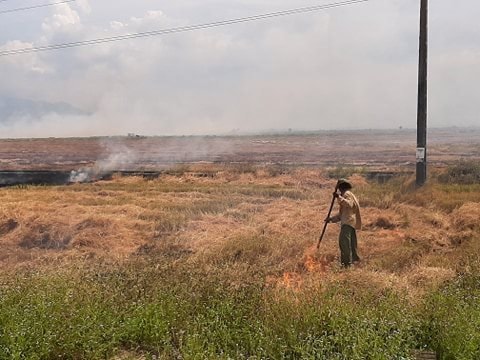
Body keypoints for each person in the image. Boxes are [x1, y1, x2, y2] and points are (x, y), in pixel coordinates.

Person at [326, 179, 362, 267]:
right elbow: (341, 215)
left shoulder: (347, 194)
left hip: (348, 223)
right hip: (350, 222)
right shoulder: (348, 195)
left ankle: (346, 264)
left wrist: (338, 197)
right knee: (351, 244)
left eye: (339, 189)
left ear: (341, 188)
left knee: (344, 243)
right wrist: (330, 219)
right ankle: (355, 261)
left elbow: (349, 204)